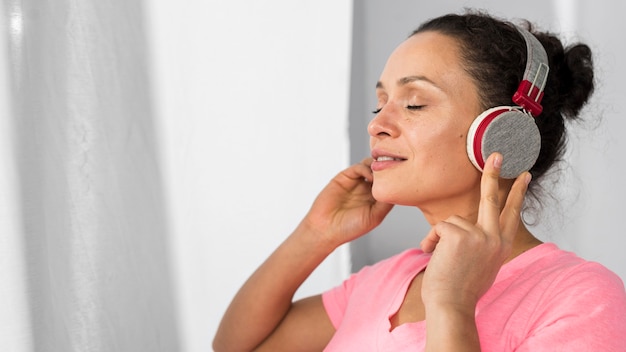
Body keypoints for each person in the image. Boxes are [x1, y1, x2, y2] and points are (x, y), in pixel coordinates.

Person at [213, 11, 626, 351]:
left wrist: (451, 307)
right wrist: (315, 232)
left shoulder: (581, 296)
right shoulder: (388, 279)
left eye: (413, 103)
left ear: (504, 134)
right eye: (380, 105)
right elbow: (237, 346)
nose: (377, 126)